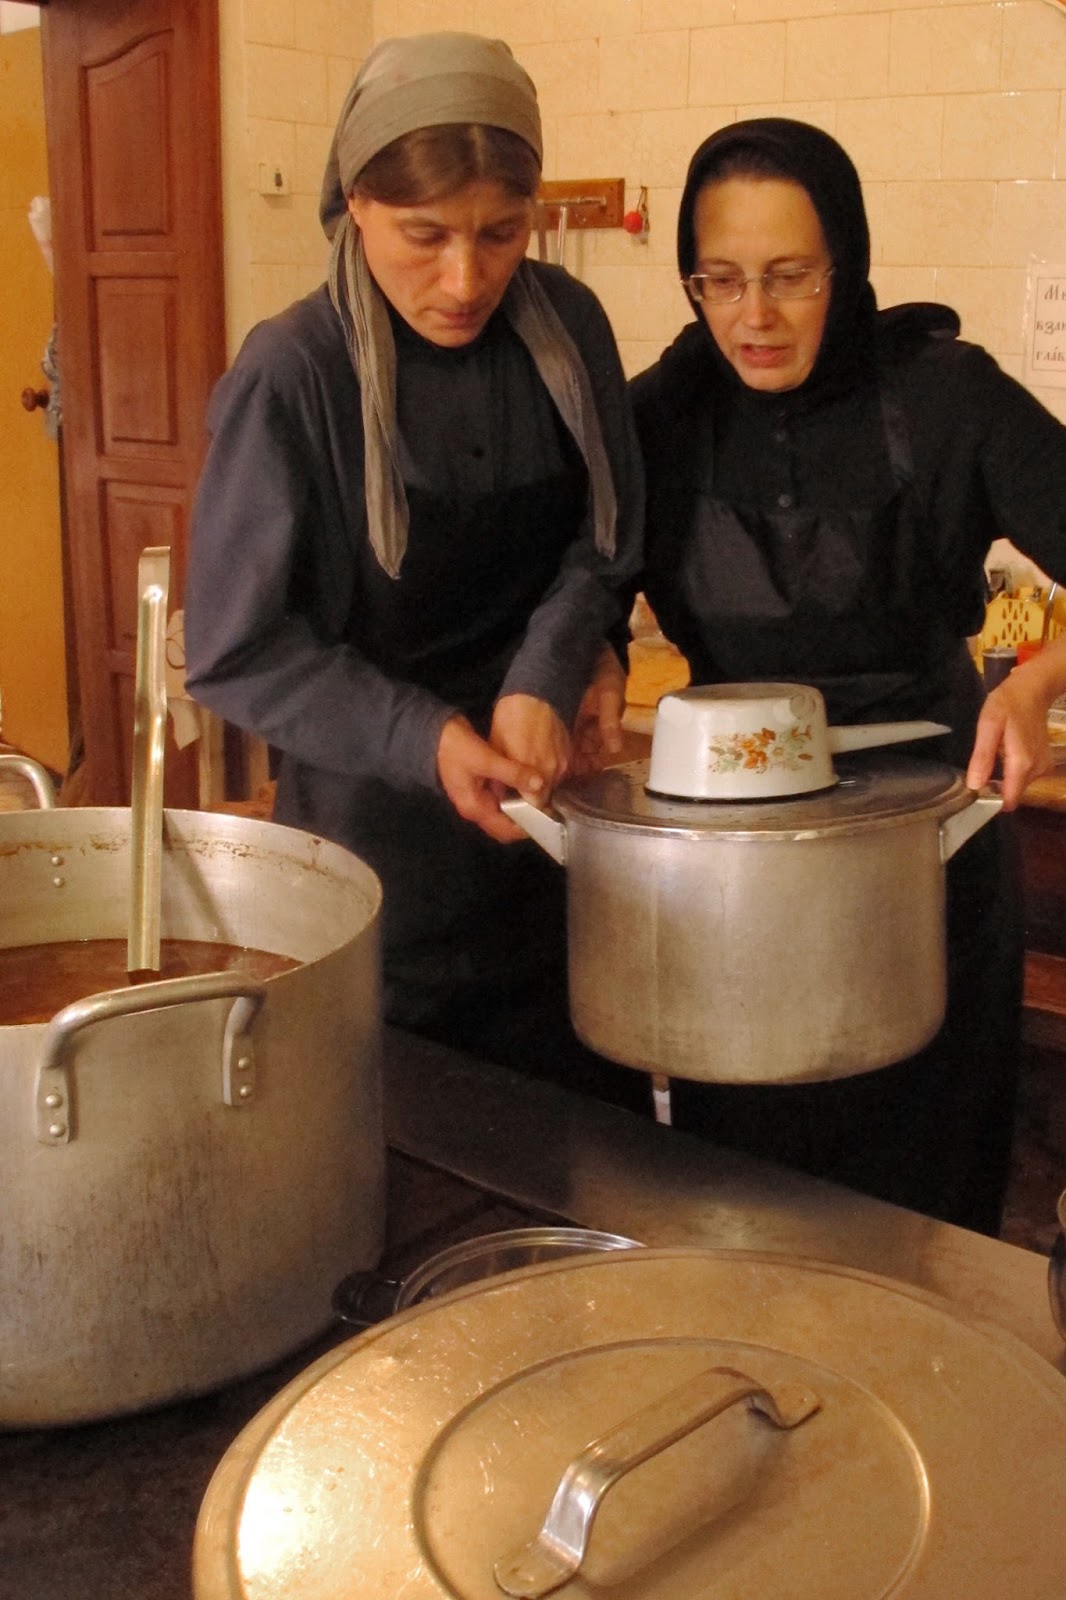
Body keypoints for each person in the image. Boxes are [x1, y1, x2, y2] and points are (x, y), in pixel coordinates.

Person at [183, 32, 648, 1111]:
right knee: (410, 1153)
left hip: (556, 831)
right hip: (375, 867)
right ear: (355, 199)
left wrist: (555, 665)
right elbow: (236, 648)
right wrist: (424, 737)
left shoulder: (567, 328)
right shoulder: (294, 374)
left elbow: (610, 537)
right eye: (424, 235)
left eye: (501, 233)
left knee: (587, 1144)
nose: (465, 279)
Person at [628, 117, 1066, 1234]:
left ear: (847, 264)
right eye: (721, 280)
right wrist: (583, 658)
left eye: (790, 276)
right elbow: (579, 586)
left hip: (929, 847)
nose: (754, 316)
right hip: (740, 867)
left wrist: (1035, 684)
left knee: (927, 1197)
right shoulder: (659, 417)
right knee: (748, 1201)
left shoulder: (946, 395)